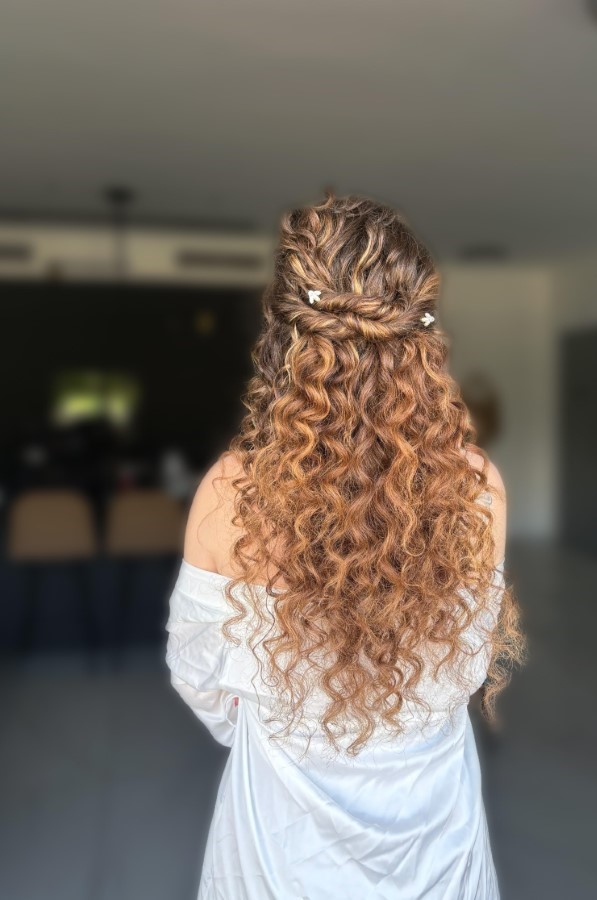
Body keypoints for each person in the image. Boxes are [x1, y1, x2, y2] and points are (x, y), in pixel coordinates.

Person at [165, 194, 524, 900]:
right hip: (438, 842)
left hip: (276, 850)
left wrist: (284, 717)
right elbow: (468, 660)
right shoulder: (477, 485)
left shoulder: (232, 492)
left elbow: (198, 676)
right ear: (423, 336)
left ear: (283, 335)